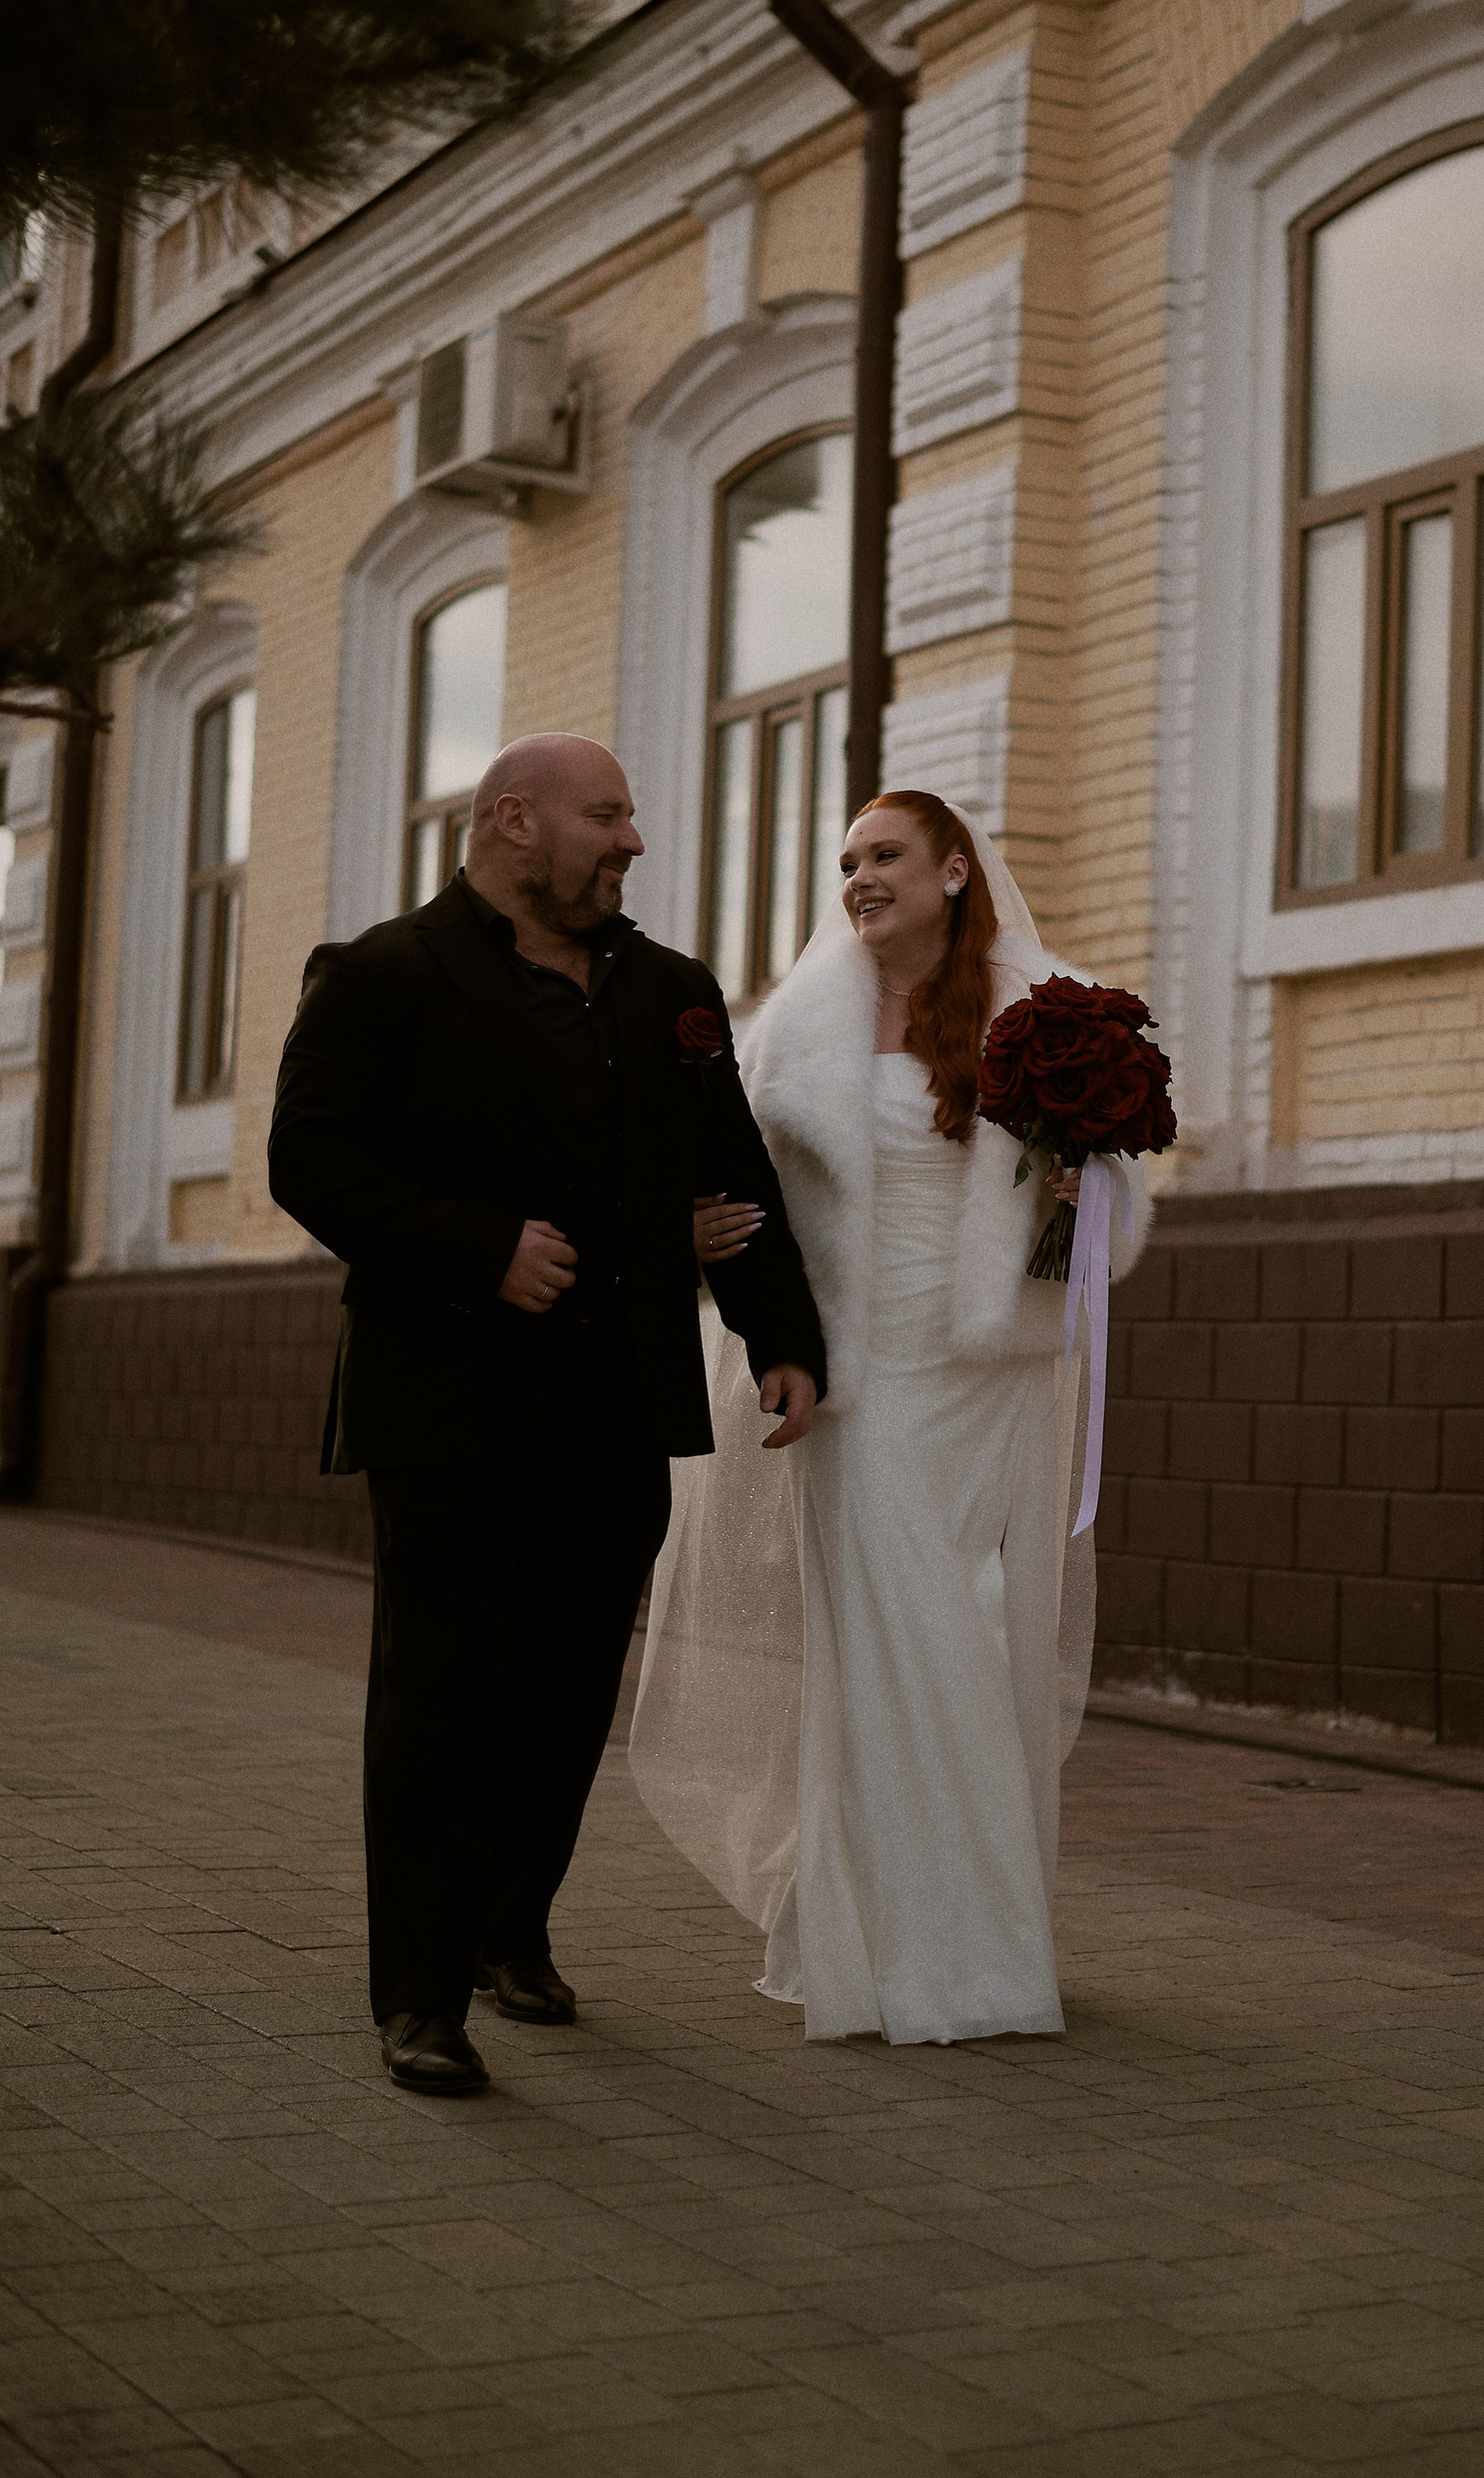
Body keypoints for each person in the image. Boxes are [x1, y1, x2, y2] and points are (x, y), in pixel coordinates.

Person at [268, 735, 826, 2096]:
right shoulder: (385, 973)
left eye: (631, 817)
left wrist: (781, 1338)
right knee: (441, 1697)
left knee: (567, 1693)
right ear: (514, 820)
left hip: (619, 1399)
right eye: (608, 815)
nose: (632, 841)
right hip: (447, 1401)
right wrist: (478, 1249)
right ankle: (419, 1994)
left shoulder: (673, 991)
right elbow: (310, 1162)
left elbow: (732, 1171)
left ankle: (510, 1929)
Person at [630, 790, 1150, 2045]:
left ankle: (979, 1939)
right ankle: (897, 1947)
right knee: (897, 1635)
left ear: (956, 870)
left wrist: (1078, 1199)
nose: (859, 876)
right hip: (863, 1381)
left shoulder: (1047, 1009)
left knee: (980, 1628)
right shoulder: (800, 1022)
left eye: (885, 855)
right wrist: (695, 1245)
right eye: (848, 859)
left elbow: (1109, 1229)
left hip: (990, 1370)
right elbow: (731, 1181)